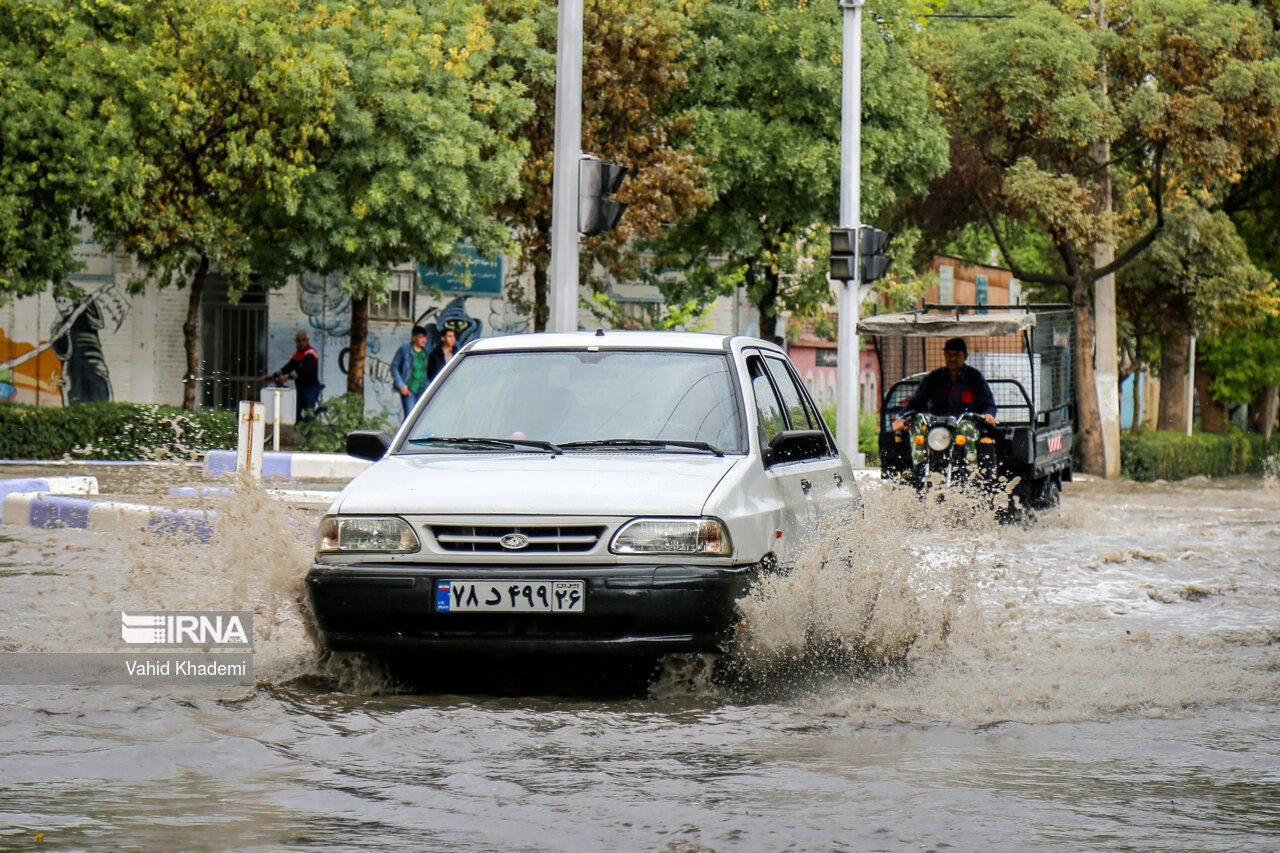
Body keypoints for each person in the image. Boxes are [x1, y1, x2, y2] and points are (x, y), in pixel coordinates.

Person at [892, 337, 998, 431]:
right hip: (936, 427)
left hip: (966, 427)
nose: (952, 358)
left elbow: (988, 404)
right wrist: (902, 418)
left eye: (956, 355)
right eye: (949, 355)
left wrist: (988, 415)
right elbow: (915, 403)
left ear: (965, 356)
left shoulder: (975, 377)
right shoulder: (933, 378)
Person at [264, 331, 323, 420]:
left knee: (308, 413)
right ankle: (300, 430)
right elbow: (288, 367)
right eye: (299, 341)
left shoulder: (311, 353)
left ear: (307, 341)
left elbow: (304, 369)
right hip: (301, 388)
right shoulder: (297, 354)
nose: (301, 342)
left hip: (310, 388)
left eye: (304, 340)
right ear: (296, 341)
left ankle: (309, 432)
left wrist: (287, 377)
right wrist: (274, 375)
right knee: (296, 411)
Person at [390, 325, 431, 420]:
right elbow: (394, 367)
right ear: (414, 338)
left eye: (425, 337)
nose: (424, 340)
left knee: (421, 417)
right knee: (410, 417)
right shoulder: (405, 349)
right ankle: (405, 435)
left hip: (423, 388)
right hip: (409, 389)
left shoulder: (426, 352)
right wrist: (401, 385)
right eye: (421, 337)